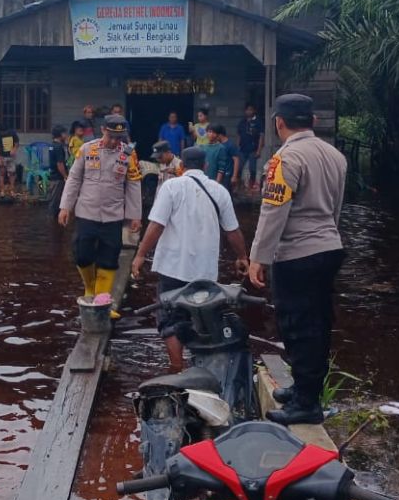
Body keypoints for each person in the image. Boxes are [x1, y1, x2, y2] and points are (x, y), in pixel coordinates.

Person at [247, 94, 347, 426]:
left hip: (297, 253)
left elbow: (273, 210)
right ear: (313, 121)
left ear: (279, 123)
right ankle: (306, 389)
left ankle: (306, 404)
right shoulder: (335, 155)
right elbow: (336, 207)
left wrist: (258, 257)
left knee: (296, 325)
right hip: (329, 246)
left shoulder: (285, 159)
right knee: (317, 322)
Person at [132, 147, 249, 371]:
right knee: (203, 317)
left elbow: (156, 225)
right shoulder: (219, 191)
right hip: (205, 272)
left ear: (181, 166)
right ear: (205, 166)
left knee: (169, 319)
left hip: (173, 267)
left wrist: (140, 255)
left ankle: (177, 367)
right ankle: (206, 366)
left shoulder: (171, 187)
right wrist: (242, 257)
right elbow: (232, 231)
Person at [58, 113, 143, 319]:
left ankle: (102, 299)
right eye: (111, 136)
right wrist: (65, 207)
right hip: (87, 211)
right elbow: (74, 179)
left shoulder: (128, 154)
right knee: (82, 252)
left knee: (110, 256)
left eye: (119, 137)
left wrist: (135, 216)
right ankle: (89, 288)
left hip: (113, 214)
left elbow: (133, 185)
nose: (114, 141)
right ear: (103, 130)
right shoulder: (87, 149)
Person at [237, 103, 264, 191]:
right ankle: (239, 185)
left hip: (253, 149)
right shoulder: (242, 122)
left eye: (251, 109)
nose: (249, 111)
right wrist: (238, 148)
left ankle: (252, 185)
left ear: (254, 111)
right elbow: (239, 136)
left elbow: (261, 136)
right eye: (247, 110)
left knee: (252, 169)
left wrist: (259, 150)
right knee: (239, 168)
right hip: (242, 149)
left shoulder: (258, 122)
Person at [209, 124, 242, 189]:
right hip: (219, 173)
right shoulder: (218, 145)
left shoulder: (230, 145)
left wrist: (234, 176)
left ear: (220, 135)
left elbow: (236, 160)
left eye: (215, 134)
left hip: (227, 174)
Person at [48, 124, 69, 217]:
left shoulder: (52, 145)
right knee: (56, 201)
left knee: (54, 199)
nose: (66, 135)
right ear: (60, 134)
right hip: (58, 177)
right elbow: (60, 163)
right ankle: (53, 221)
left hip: (53, 176)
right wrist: (65, 176)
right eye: (64, 133)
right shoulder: (59, 147)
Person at [0, 128, 19, 197]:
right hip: (2, 157)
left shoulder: (13, 133)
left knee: (12, 173)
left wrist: (14, 149)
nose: (3, 134)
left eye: (5, 132)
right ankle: (2, 191)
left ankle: (12, 190)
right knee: (2, 173)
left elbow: (17, 144)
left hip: (11, 157)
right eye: (2, 132)